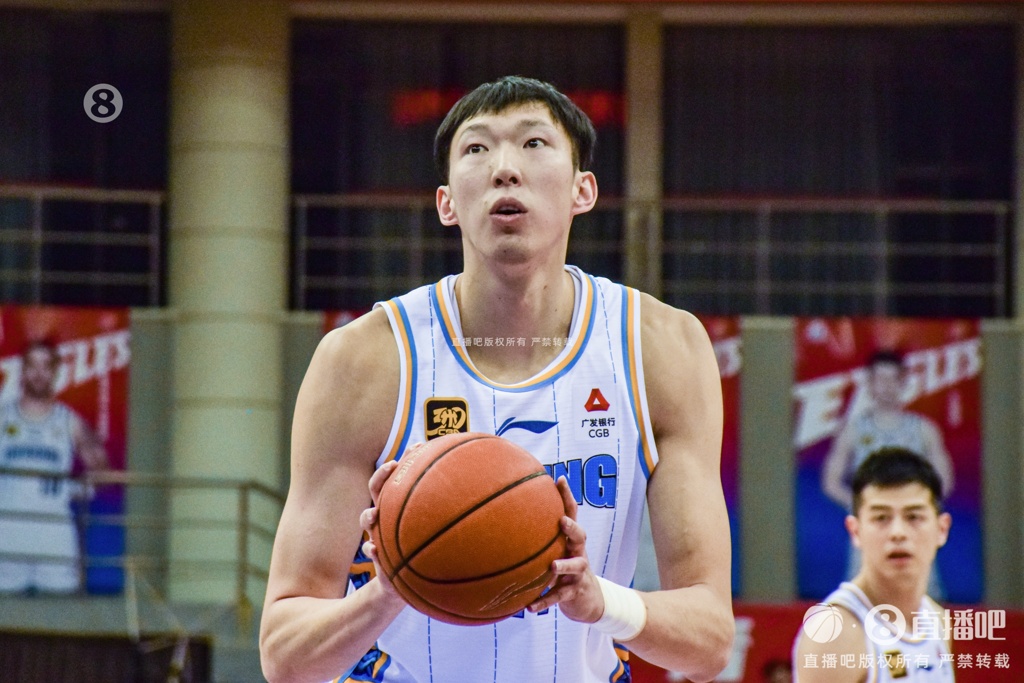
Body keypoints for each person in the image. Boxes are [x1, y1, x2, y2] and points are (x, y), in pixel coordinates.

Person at [260, 76, 734, 683]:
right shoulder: (363, 360)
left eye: (534, 143)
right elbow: (284, 656)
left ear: (583, 190)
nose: (505, 169)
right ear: (446, 204)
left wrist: (599, 601)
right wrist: (388, 590)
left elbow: (709, 642)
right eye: (477, 149)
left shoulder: (661, 349)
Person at [793, 448, 954, 682]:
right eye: (881, 518)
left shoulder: (936, 620)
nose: (898, 533)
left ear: (942, 529)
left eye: (913, 517)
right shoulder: (834, 633)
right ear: (855, 531)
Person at [821, 350, 953, 596]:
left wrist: (917, 510)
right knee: (864, 600)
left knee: (921, 600)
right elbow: (831, 481)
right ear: (870, 384)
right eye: (880, 380)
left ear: (904, 382)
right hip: (870, 532)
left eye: (893, 379)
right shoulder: (854, 430)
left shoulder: (924, 430)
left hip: (914, 532)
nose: (886, 387)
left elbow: (944, 481)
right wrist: (865, 508)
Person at [0, 339, 109, 594]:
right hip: (8, 532)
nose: (39, 373)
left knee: (60, 609)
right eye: (32, 366)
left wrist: (78, 489)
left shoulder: (69, 421)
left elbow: (102, 471)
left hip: (54, 534)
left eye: (46, 366)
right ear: (22, 370)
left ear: (56, 372)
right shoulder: (3, 417)